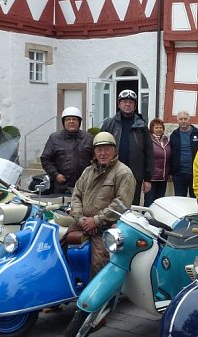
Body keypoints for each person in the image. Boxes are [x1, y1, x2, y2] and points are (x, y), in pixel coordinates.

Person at [70, 132, 136, 276]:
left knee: (100, 263)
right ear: (94, 152)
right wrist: (81, 219)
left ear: (114, 150)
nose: (103, 153)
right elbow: (76, 196)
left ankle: (99, 297)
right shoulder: (88, 171)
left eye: (107, 149)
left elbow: (121, 204)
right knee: (57, 246)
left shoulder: (123, 173)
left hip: (107, 228)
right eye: (99, 149)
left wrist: (96, 220)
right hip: (82, 222)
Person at [100, 89, 153, 205]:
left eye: (131, 102)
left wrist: (148, 179)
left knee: (131, 209)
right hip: (111, 175)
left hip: (135, 177)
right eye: (124, 101)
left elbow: (149, 153)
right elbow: (99, 150)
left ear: (134, 106)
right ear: (119, 104)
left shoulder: (141, 126)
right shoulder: (109, 124)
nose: (127, 104)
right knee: (110, 207)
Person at [40, 107, 93, 194]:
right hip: (62, 186)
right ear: (63, 122)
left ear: (79, 122)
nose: (71, 122)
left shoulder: (88, 138)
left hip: (84, 186)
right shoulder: (55, 138)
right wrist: (56, 175)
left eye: (74, 119)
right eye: (68, 119)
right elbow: (45, 159)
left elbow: (96, 159)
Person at [169, 110, 198, 198]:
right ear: (177, 121)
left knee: (195, 198)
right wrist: (170, 172)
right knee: (180, 199)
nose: (183, 121)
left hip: (195, 173)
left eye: (185, 119)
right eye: (180, 119)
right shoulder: (174, 135)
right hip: (179, 174)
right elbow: (171, 154)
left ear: (189, 120)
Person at [146, 118, 171, 207]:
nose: (159, 129)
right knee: (150, 201)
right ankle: (147, 218)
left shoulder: (166, 140)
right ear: (152, 129)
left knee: (160, 202)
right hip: (152, 177)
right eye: (156, 127)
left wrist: (169, 174)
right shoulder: (148, 140)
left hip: (163, 177)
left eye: (160, 127)